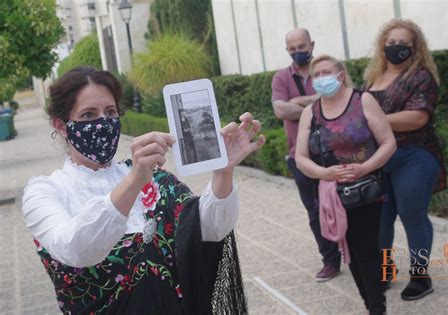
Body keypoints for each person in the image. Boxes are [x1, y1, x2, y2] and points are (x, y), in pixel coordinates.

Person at [21, 66, 265, 314]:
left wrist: (223, 170)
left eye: (110, 112)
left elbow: (210, 229)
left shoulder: (156, 180)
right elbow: (75, 248)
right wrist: (135, 180)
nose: (103, 123)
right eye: (88, 115)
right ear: (61, 126)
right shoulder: (45, 192)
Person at [295, 55, 396, 315]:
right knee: (349, 250)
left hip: (367, 190)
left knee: (367, 250)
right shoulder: (311, 112)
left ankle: (376, 307)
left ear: (341, 75)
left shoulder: (362, 101)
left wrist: (365, 167)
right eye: (316, 75)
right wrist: (325, 172)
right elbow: (301, 158)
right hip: (333, 195)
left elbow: (388, 142)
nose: (320, 78)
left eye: (326, 72)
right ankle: (371, 304)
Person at [362, 19, 447, 300]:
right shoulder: (372, 76)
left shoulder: (421, 77)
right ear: (382, 45)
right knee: (380, 220)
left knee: (413, 216)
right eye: (391, 43)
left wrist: (374, 121)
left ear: (415, 48)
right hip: (379, 159)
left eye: (403, 44)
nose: (396, 47)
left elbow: (417, 117)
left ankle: (421, 278)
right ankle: (385, 272)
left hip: (414, 156)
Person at [271, 28, 341, 282]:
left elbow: (338, 98)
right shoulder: (281, 78)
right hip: (300, 156)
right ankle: (330, 260)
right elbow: (280, 110)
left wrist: (301, 100)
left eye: (302, 46)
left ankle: (356, 253)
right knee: (315, 212)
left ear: (311, 44)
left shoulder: (324, 72)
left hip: (337, 153)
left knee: (347, 204)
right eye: (292, 48)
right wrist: (318, 106)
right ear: (287, 49)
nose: (298, 52)